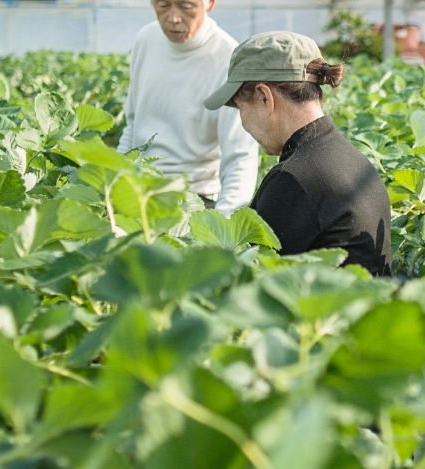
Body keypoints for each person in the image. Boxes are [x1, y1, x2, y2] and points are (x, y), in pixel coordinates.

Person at [204, 32, 392, 276]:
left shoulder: (293, 180)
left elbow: (251, 280)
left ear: (264, 97)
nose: (243, 122)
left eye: (240, 107)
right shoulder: (353, 161)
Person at [119, 0, 260, 214]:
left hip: (194, 200)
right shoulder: (146, 40)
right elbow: (132, 126)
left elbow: (240, 158)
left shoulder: (229, 61)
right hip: (136, 190)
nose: (173, 18)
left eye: (186, 6)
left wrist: (222, 223)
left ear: (209, 3)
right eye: (163, 5)